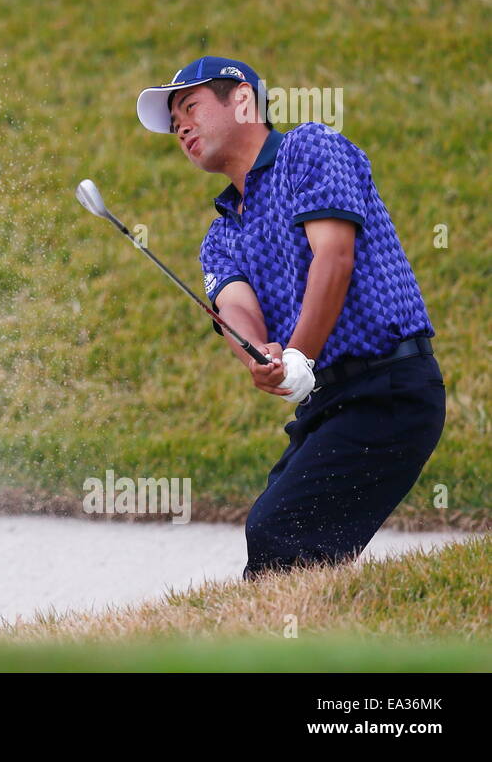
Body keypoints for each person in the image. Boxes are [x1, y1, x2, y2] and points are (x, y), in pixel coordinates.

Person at [136, 56, 444, 579]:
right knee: (280, 534)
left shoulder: (309, 149)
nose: (180, 127)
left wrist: (298, 351)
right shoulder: (221, 235)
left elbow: (334, 256)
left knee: (282, 531)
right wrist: (261, 354)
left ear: (242, 100)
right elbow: (235, 307)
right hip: (331, 403)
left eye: (189, 107)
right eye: (174, 123)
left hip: (389, 389)